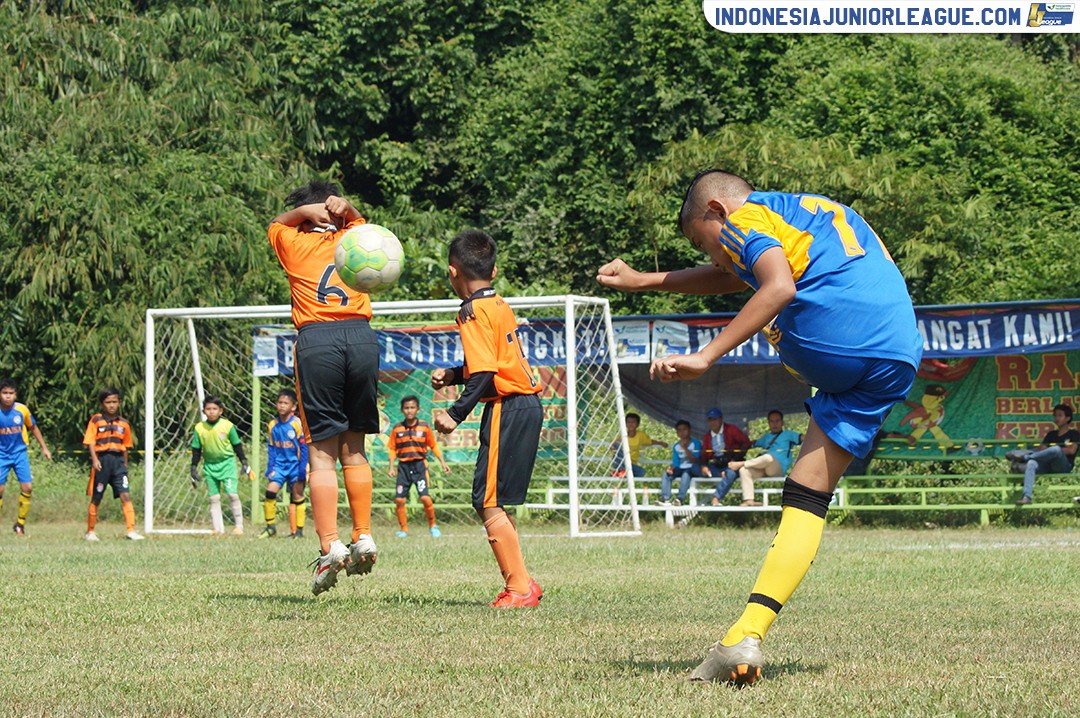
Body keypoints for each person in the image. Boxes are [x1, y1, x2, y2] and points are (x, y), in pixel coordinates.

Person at [596, 169, 922, 684]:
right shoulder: (794, 212)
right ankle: (745, 636)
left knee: (772, 303)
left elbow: (777, 285)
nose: (713, 256)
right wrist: (645, 280)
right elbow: (738, 274)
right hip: (896, 354)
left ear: (716, 212)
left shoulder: (741, 217)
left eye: (706, 244)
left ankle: (743, 637)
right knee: (807, 494)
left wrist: (706, 355)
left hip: (836, 336)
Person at [268, 180, 380, 595]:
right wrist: (346, 211)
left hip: (318, 341)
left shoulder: (293, 243)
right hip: (362, 337)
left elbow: (275, 225)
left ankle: (329, 545)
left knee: (320, 454)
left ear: (306, 216)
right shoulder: (355, 237)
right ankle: (364, 534)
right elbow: (368, 229)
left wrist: (301, 214)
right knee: (355, 448)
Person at [431, 229, 544, 608]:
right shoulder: (497, 303)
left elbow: (485, 373)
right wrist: (454, 373)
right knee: (494, 500)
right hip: (526, 405)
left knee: (487, 500)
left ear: (452, 273)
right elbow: (493, 362)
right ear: (493, 272)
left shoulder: (470, 311)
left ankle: (519, 589)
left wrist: (454, 413)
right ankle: (524, 582)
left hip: (507, 407)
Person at [82, 388, 143, 541]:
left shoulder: (124, 424)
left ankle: (131, 530)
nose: (111, 405)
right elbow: (90, 441)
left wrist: (125, 467)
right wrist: (95, 460)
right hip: (102, 462)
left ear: (119, 403)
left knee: (125, 495)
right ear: (102, 404)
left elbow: (126, 447)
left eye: (114, 402)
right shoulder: (96, 420)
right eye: (108, 402)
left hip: (118, 464)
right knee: (97, 497)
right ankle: (90, 532)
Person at [190, 396, 255, 536]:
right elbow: (196, 450)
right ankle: (217, 528)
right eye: (208, 409)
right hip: (209, 466)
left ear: (221, 411)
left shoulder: (227, 426)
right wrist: (193, 467)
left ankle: (239, 526)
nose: (211, 412)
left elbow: (237, 445)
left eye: (214, 409)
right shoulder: (199, 428)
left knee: (232, 494)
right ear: (204, 411)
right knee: (213, 497)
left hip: (227, 464)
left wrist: (244, 461)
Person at [387, 395, 450, 538]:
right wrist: (391, 467)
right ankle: (403, 529)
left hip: (419, 466)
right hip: (403, 467)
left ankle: (433, 526)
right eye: (406, 408)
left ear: (418, 409)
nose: (409, 411)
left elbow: (433, 445)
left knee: (425, 498)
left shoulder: (424, 427)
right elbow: (392, 448)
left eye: (412, 407)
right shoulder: (397, 428)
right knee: (400, 500)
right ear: (402, 410)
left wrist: (442, 462)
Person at [0, 378, 52, 536]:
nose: (8, 396)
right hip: (2, 455)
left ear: (15, 394)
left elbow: (33, 428)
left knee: (27, 488)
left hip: (20, 454)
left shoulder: (22, 410)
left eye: (11, 393)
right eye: (4, 393)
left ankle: (20, 524)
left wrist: (44, 448)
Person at [258, 389, 308, 539]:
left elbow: (304, 447)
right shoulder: (273, 424)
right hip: (280, 466)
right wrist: (270, 467)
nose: (281, 406)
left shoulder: (297, 423)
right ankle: (270, 527)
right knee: (270, 491)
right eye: (280, 402)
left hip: (295, 465)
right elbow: (272, 448)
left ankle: (298, 531)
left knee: (297, 495)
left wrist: (302, 468)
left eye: (285, 403)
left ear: (293, 407)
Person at [1006, 403, 1078, 505]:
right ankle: (1027, 497)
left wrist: (1052, 451)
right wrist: (1049, 452)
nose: (1056, 418)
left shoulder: (1073, 434)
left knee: (1056, 450)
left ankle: (1025, 457)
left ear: (1068, 418)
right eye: (1055, 415)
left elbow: (1071, 450)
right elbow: (1042, 450)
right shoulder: (1051, 434)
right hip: (1047, 464)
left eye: (1060, 415)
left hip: (1063, 466)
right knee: (1031, 463)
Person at [728, 410, 802, 507]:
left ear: (782, 422)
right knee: (744, 470)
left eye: (777, 421)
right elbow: (751, 443)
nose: (775, 424)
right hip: (763, 469)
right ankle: (749, 500)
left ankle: (741, 463)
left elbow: (803, 438)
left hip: (777, 469)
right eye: (772, 421)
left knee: (768, 458)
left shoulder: (788, 434)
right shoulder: (766, 437)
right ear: (768, 423)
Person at [699, 406, 751, 506]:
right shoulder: (707, 436)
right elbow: (703, 454)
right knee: (692, 468)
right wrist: (703, 466)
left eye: (715, 419)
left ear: (721, 419)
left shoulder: (731, 430)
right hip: (716, 465)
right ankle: (680, 499)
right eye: (710, 420)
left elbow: (746, 443)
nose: (713, 422)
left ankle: (716, 498)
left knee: (731, 473)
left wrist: (735, 459)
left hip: (732, 462)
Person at [659, 420, 704, 506]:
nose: (682, 432)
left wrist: (685, 448)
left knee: (686, 474)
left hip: (692, 468)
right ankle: (665, 498)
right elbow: (676, 462)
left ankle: (680, 498)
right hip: (680, 468)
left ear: (689, 430)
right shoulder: (676, 446)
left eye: (684, 429)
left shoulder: (696, 443)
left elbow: (695, 460)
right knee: (666, 474)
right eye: (679, 430)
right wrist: (671, 468)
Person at [611, 412, 667, 478]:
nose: (631, 424)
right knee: (617, 445)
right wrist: (618, 443)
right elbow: (612, 447)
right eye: (629, 422)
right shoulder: (622, 434)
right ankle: (621, 470)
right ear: (625, 424)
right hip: (620, 461)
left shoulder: (640, 435)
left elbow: (650, 441)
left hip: (631, 463)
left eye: (633, 422)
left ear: (637, 424)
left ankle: (619, 473)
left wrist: (660, 443)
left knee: (641, 472)